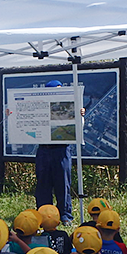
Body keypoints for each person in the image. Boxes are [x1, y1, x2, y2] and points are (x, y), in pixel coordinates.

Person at [33, 80, 86, 224]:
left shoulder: (69, 106)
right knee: (43, 184)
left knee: (63, 183)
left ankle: (65, 215)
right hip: (44, 150)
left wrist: (79, 115)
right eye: (55, 90)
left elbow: (77, 129)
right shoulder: (40, 107)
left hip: (61, 150)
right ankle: (44, 215)